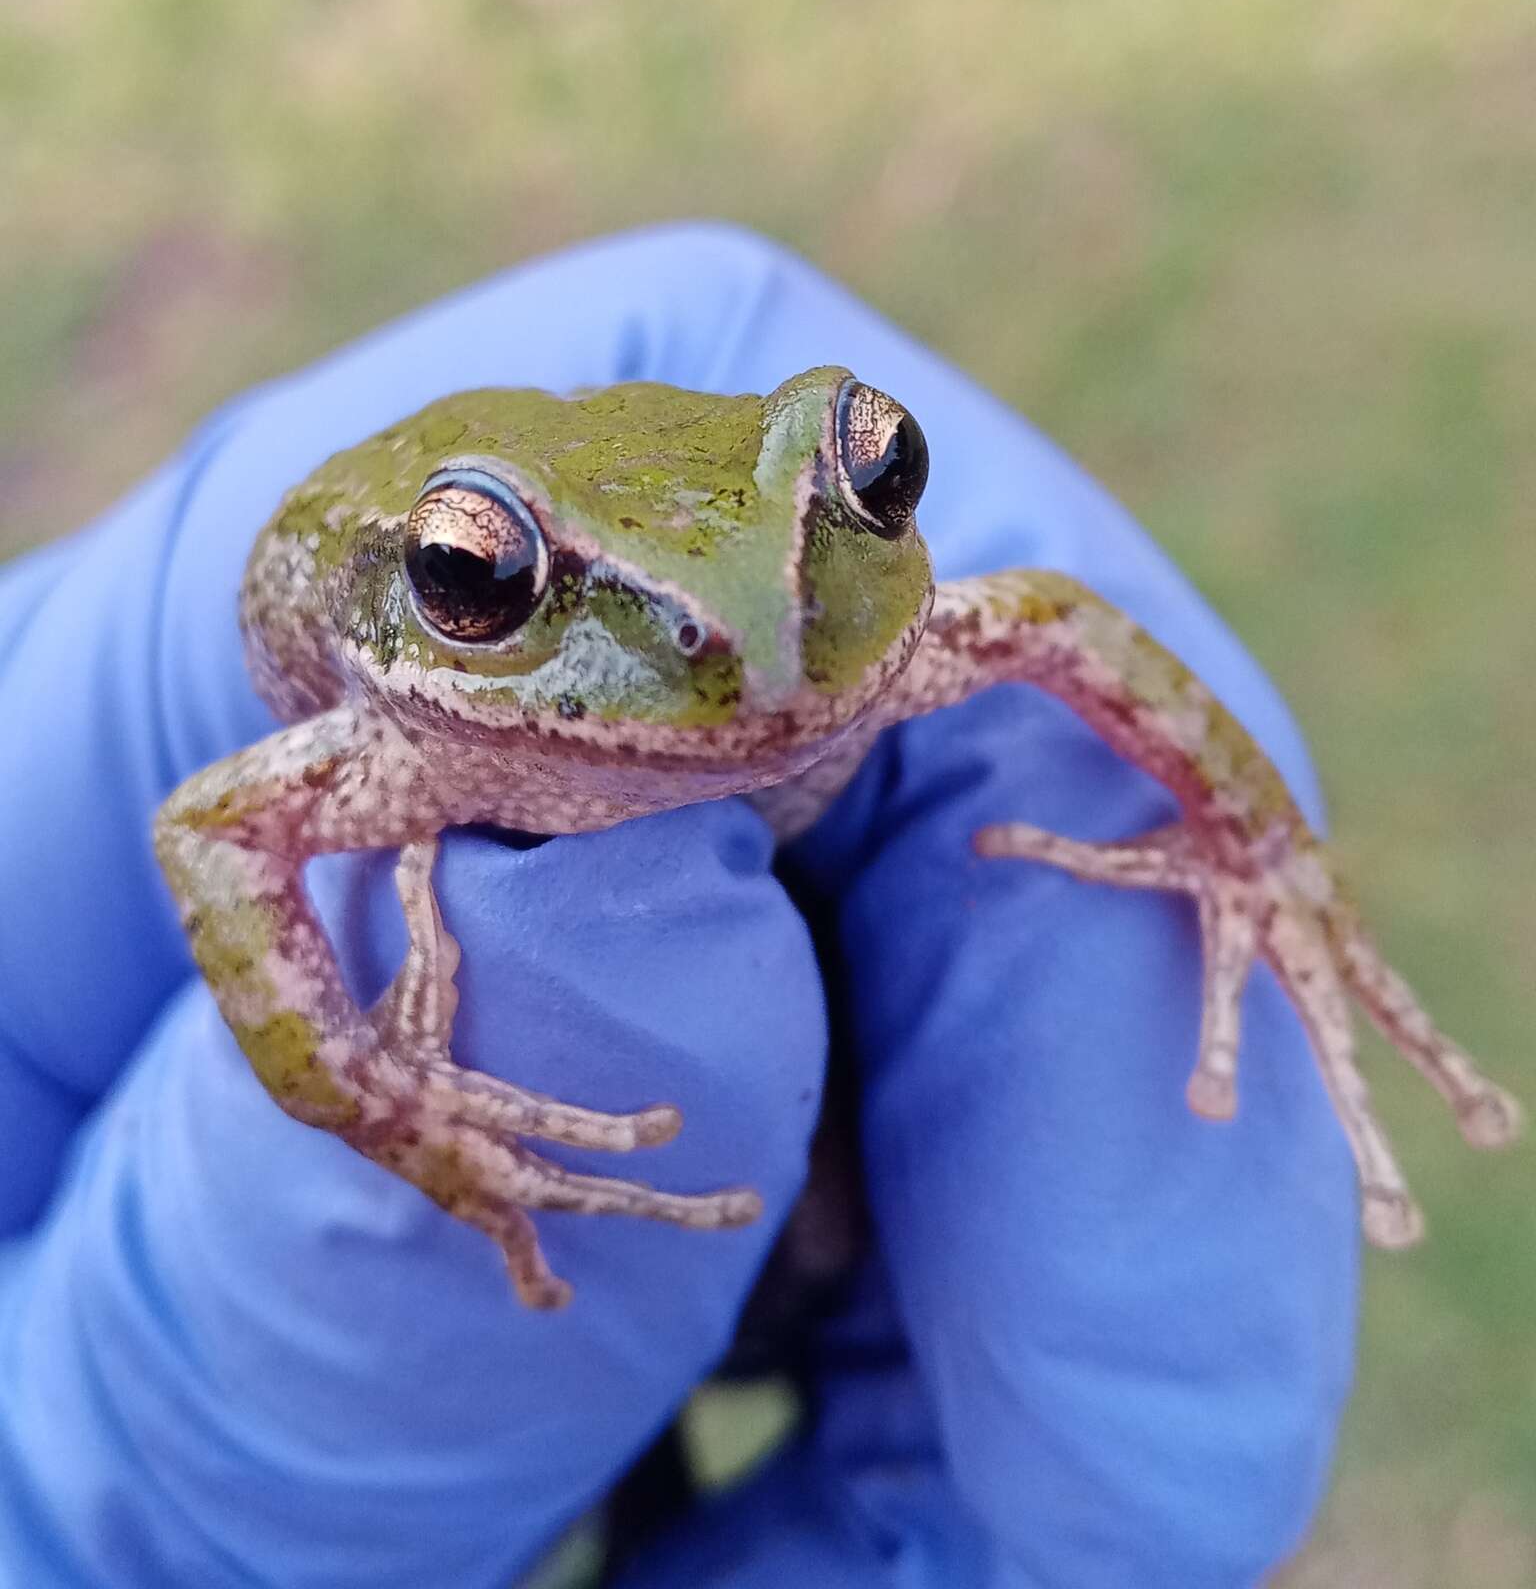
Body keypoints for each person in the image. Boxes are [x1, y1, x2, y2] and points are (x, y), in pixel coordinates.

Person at [0, 225, 1355, 1588]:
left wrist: (1256, 845)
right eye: (480, 567)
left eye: (870, 477)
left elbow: (1055, 618)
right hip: (458, 710)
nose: (743, 646)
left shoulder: (845, 622)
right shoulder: (383, 739)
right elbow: (215, 827)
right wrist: (372, 1093)